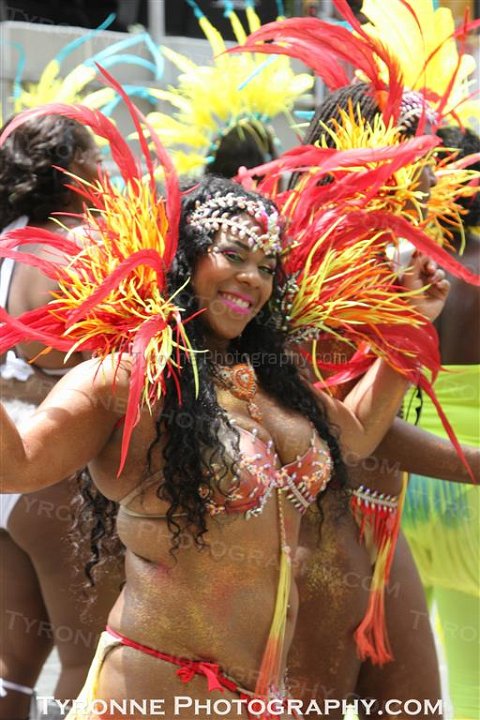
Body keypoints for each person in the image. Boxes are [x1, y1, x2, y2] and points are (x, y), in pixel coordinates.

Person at [0, 148, 450, 716]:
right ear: (184, 259)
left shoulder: (273, 383)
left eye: (266, 266)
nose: (251, 279)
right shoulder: (130, 380)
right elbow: (16, 466)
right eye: (233, 255)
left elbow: (355, 438)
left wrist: (411, 321)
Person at [0, 114, 123, 720]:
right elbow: (100, 372)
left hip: (7, 465)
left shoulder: (8, 240)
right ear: (71, 169)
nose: (105, 169)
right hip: (56, 469)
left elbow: (19, 359)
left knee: (13, 668)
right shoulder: (84, 245)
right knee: (87, 660)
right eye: (96, 157)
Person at [402, 125, 480, 720]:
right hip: (472, 491)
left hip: (402, 479)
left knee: (384, 663)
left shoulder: (402, 274)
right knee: (473, 677)